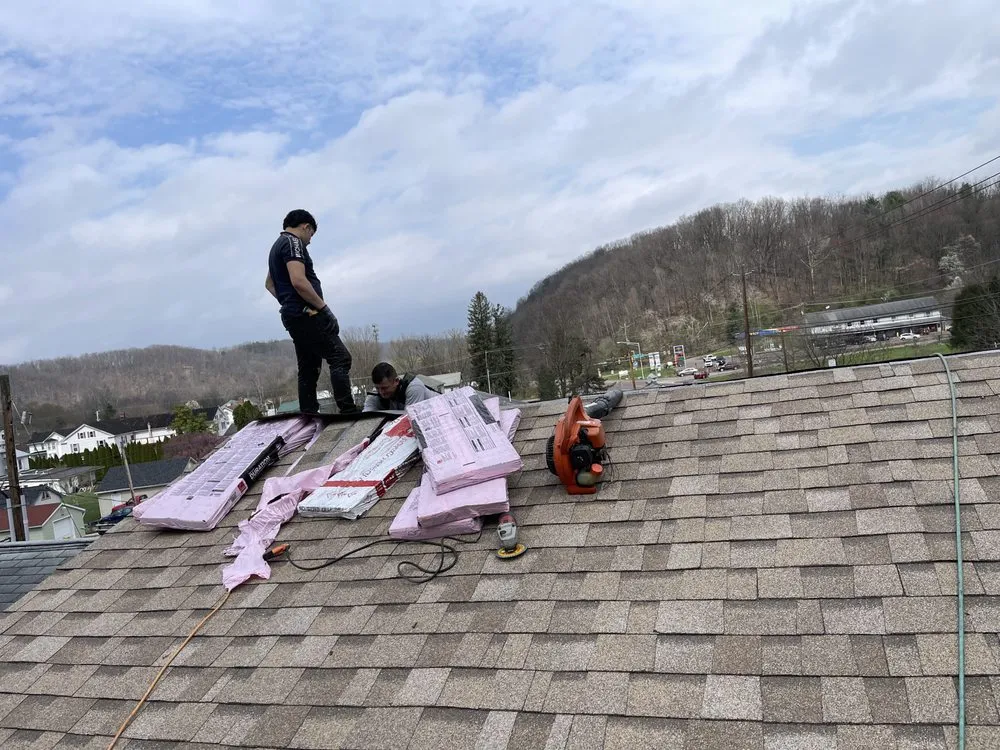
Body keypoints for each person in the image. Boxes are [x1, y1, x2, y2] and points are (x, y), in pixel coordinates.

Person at [265, 209, 359, 414]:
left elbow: (269, 284)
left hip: (293, 315)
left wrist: (288, 303)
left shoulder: (276, 247)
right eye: (311, 235)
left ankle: (308, 414)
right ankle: (348, 411)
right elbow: (299, 281)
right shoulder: (293, 243)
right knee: (340, 357)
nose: (310, 241)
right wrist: (323, 308)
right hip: (308, 313)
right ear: (306, 227)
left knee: (309, 366)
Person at [363, 362, 438, 412]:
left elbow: (409, 419)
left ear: (396, 381)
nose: (381, 392)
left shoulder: (414, 387)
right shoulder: (376, 393)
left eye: (384, 388)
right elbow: (366, 417)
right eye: (377, 388)